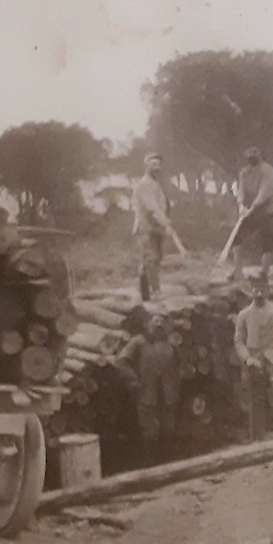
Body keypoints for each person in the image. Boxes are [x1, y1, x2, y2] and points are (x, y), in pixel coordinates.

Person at [234, 272, 273, 439]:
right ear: (250, 291)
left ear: (268, 290)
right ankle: (258, 436)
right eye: (255, 289)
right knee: (255, 399)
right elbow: (239, 341)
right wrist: (247, 358)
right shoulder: (244, 315)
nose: (259, 293)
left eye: (262, 289)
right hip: (255, 360)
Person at [113, 313, 181, 462]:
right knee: (150, 434)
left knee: (168, 431)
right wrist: (133, 380)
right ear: (147, 323)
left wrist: (175, 386)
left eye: (161, 322)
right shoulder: (138, 342)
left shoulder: (171, 344)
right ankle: (151, 468)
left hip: (168, 396)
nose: (158, 325)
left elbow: (178, 366)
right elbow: (121, 362)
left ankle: (169, 468)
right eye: (154, 321)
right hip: (146, 394)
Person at [132, 151, 182, 302]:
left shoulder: (156, 185)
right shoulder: (144, 185)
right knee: (150, 259)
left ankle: (145, 295)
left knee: (154, 259)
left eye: (158, 164)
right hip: (145, 228)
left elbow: (162, 206)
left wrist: (166, 222)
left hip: (156, 229)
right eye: (153, 164)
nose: (156, 167)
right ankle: (155, 292)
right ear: (146, 165)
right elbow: (153, 208)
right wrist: (166, 223)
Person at [232, 146, 273, 270]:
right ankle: (237, 271)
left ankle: (264, 273)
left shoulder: (267, 170)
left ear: (260, 157)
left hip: (268, 210)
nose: (252, 158)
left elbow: (265, 192)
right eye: (249, 156)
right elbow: (241, 190)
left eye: (255, 155)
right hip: (251, 211)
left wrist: (252, 208)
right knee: (237, 237)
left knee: (267, 241)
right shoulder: (244, 173)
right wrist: (241, 205)